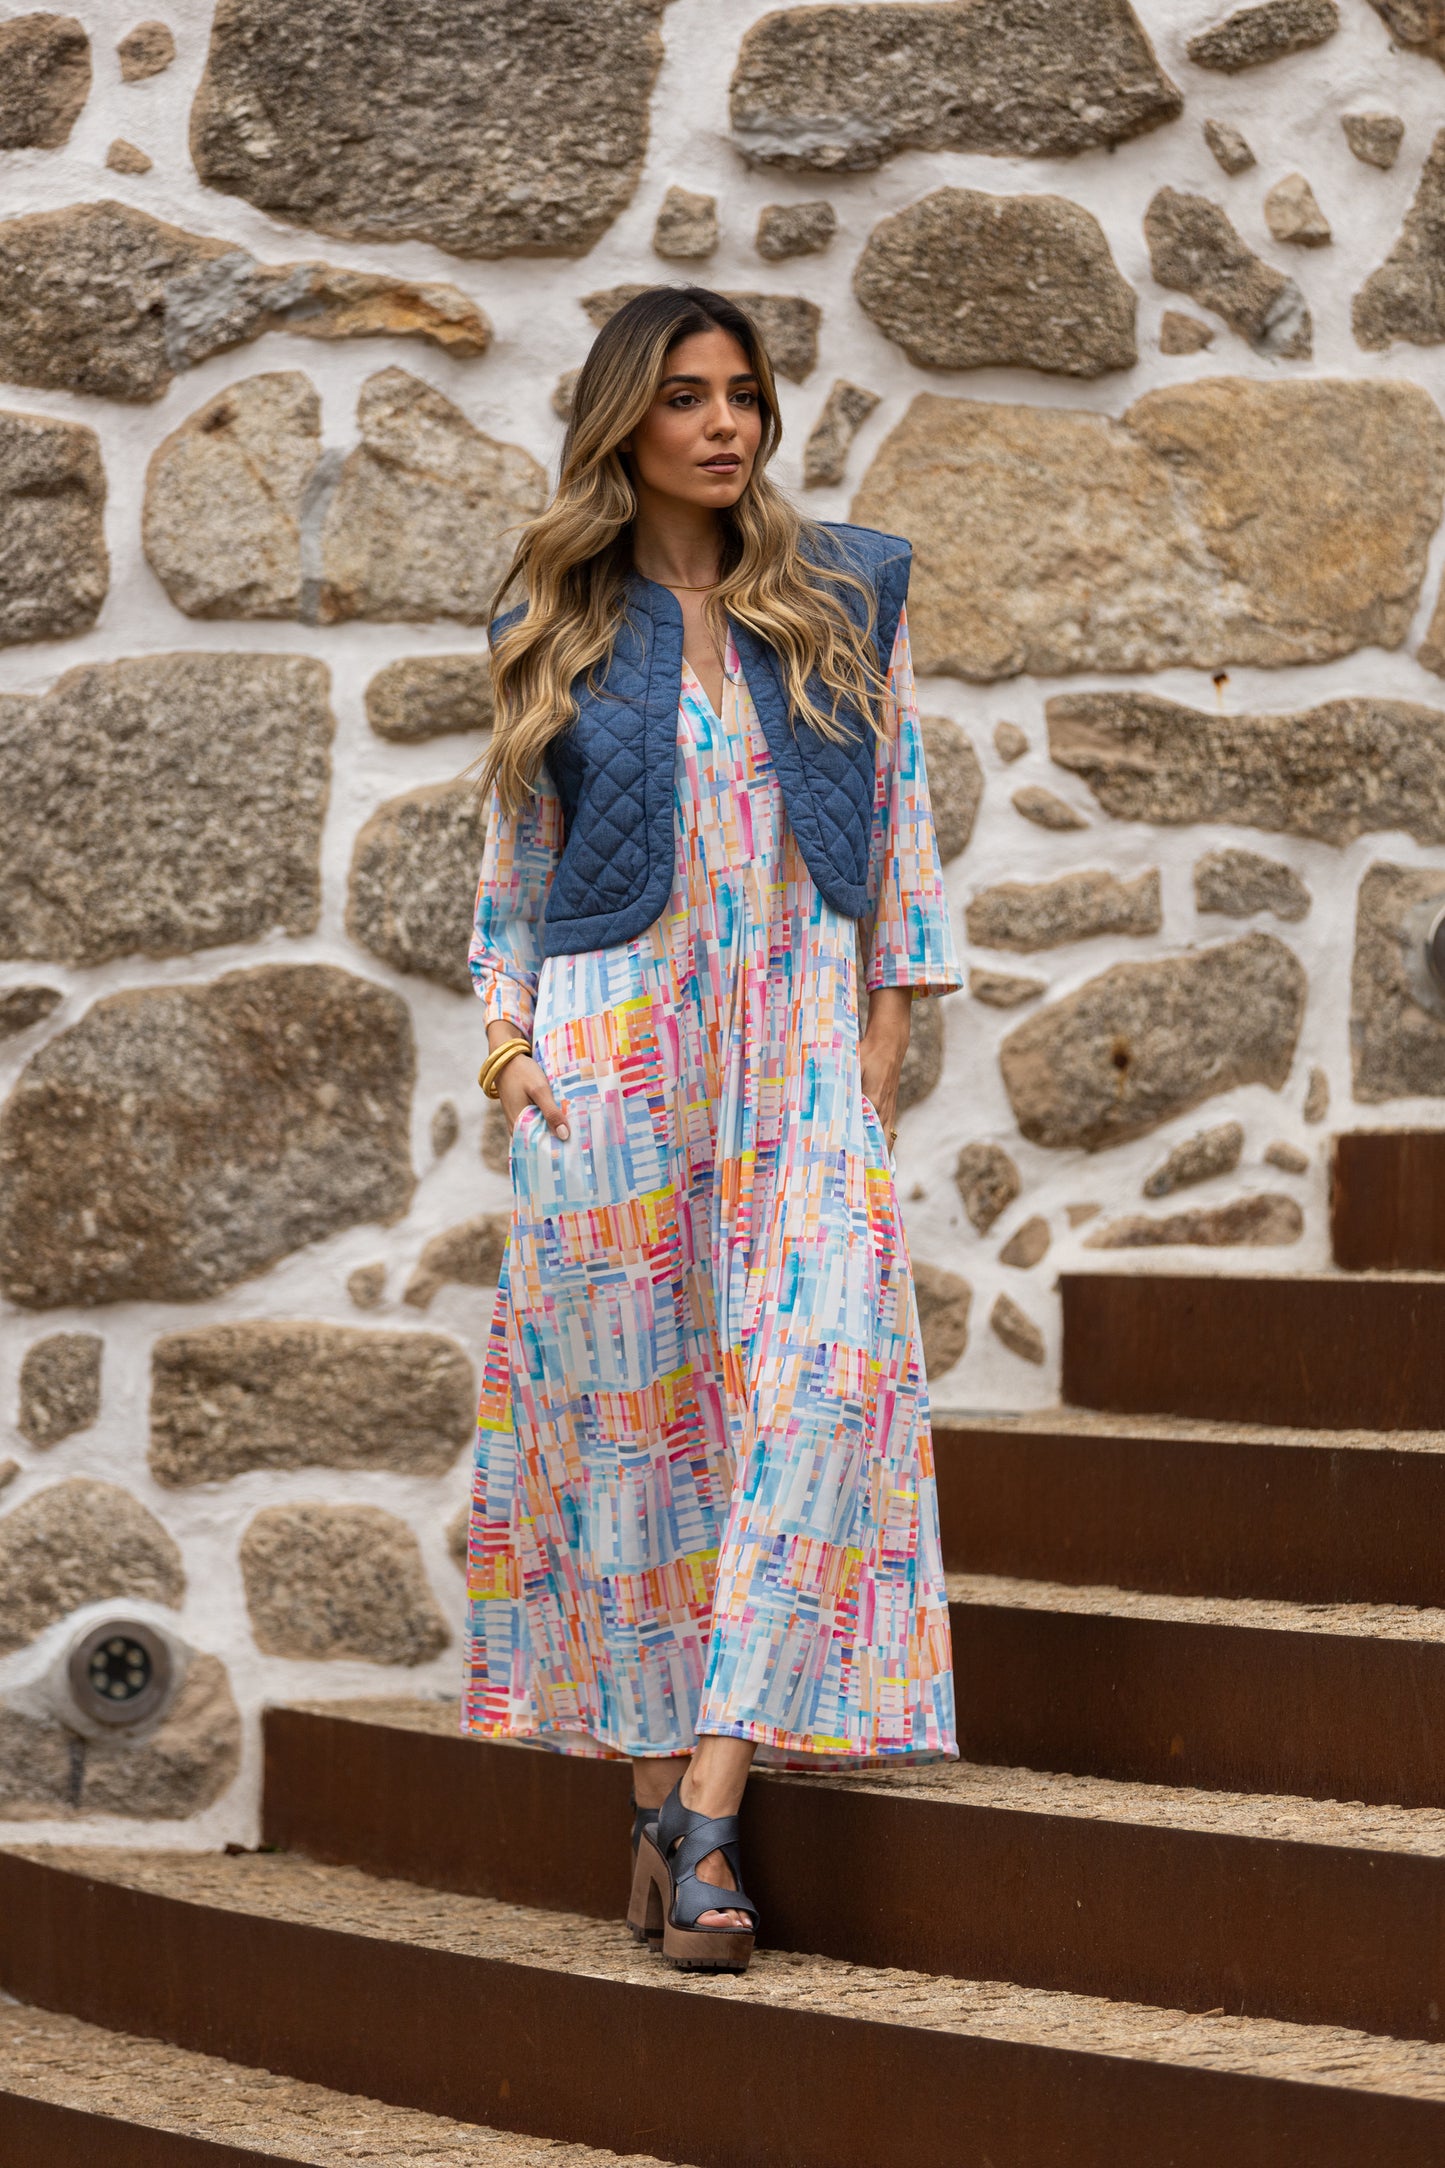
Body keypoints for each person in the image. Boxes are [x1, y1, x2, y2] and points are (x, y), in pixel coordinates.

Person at [463, 285, 962, 1975]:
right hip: (613, 1060)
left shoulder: (844, 592)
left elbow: (899, 814)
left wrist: (888, 1024)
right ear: (627, 422)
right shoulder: (554, 615)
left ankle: (710, 1801)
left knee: (820, 1389)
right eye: (684, 395)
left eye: (742, 391)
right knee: (637, 1446)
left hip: (802, 1051)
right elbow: (514, 876)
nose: (724, 422)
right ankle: (664, 1818)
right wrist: (511, 1059)